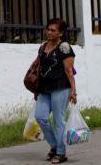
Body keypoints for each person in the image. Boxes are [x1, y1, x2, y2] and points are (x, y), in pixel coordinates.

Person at [34, 18, 77, 164]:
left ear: (61, 33)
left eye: (54, 30)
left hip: (60, 87)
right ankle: (54, 145)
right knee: (40, 116)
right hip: (44, 88)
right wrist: (36, 89)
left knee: (59, 121)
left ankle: (61, 152)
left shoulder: (64, 47)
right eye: (49, 29)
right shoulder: (43, 46)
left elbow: (69, 70)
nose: (50, 32)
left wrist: (73, 91)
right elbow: (39, 68)